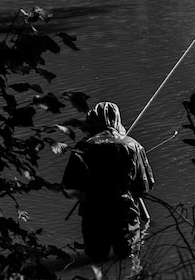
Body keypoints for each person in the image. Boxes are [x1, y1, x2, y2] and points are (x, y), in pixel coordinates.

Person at [62, 102, 155, 262]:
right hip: (125, 217)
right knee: (128, 261)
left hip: (93, 218)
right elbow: (145, 186)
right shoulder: (133, 145)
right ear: (117, 119)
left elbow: (69, 186)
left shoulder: (83, 147)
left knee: (95, 260)